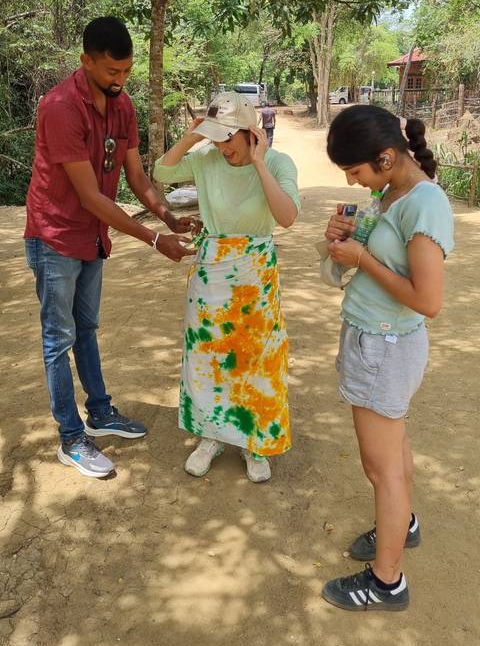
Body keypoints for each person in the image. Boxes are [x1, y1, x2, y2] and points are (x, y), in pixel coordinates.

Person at [24, 16, 200, 479]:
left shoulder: (123, 107)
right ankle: (71, 437)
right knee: (58, 339)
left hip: (91, 238)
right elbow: (89, 197)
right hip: (56, 235)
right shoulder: (60, 107)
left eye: (126, 71)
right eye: (111, 72)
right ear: (86, 61)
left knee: (87, 328)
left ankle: (101, 412)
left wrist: (167, 215)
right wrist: (154, 239)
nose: (120, 81)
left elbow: (136, 177)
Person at [320, 105, 454, 611]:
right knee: (393, 453)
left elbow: (428, 300)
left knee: (382, 471)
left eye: (356, 171)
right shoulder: (390, 192)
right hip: (376, 340)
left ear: (386, 156)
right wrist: (344, 238)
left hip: (386, 346)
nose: (354, 182)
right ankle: (403, 525)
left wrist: (363, 259)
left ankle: (386, 582)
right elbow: (378, 254)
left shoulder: (424, 204)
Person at [154, 91, 300, 482]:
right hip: (212, 270)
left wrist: (259, 164)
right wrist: (193, 136)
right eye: (217, 138)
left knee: (256, 359)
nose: (222, 148)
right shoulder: (206, 159)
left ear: (250, 132)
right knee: (208, 358)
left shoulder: (279, 163)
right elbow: (162, 172)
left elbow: (286, 216)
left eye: (228, 138)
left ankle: (254, 442)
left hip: (255, 273)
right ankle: (211, 436)